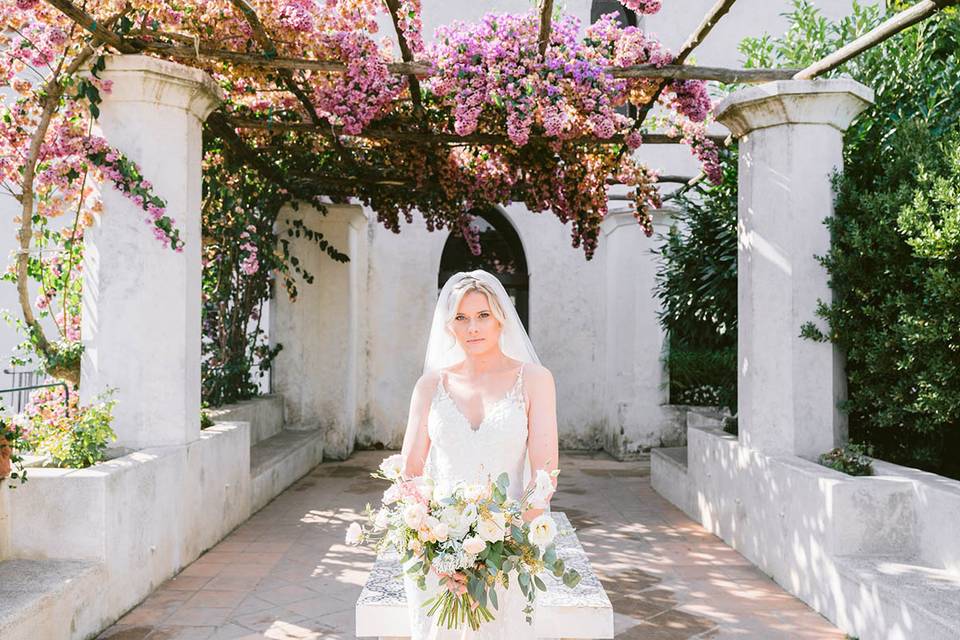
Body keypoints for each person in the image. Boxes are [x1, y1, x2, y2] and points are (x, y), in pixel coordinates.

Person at [399, 269, 559, 639]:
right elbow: (410, 473)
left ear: (502, 317)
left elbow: (545, 475)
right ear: (449, 326)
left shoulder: (535, 380)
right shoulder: (429, 387)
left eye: (483, 315)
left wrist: (498, 549)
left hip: (510, 552)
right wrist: (436, 547)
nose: (473, 327)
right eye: (461, 318)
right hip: (438, 554)